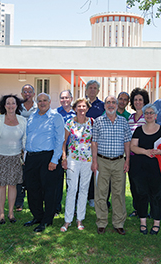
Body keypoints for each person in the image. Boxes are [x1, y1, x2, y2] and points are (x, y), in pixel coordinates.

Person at [23, 93, 64, 233]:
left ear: (50, 101)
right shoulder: (32, 116)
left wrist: (54, 160)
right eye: (39, 101)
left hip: (48, 157)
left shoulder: (56, 117)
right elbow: (28, 137)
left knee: (49, 190)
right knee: (33, 188)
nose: (42, 103)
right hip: (31, 157)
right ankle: (37, 216)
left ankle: (47, 220)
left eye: (44, 100)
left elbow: (60, 140)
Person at [91, 95, 131, 235]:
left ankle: (118, 222)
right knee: (101, 192)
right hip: (102, 161)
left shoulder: (123, 122)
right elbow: (94, 142)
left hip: (119, 161)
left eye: (113, 102)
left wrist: (127, 161)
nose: (111, 105)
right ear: (104, 105)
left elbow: (127, 142)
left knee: (118, 193)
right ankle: (101, 221)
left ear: (117, 104)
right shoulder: (98, 121)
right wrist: (94, 161)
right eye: (108, 102)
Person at [130, 103, 161, 235]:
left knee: (157, 195)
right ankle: (143, 222)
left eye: (151, 113)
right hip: (140, 167)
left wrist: (160, 152)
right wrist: (146, 152)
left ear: (156, 115)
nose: (148, 115)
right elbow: (133, 147)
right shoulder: (139, 130)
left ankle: (156, 222)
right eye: (146, 113)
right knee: (142, 194)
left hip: (157, 168)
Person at [0, 94, 26, 225]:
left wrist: (24, 156)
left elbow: (25, 140)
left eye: (13, 103)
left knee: (13, 185)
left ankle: (11, 212)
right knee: (1, 185)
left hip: (16, 157)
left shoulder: (22, 120)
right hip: (0, 156)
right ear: (4, 106)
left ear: (17, 105)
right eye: (8, 103)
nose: (11, 105)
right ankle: (1, 213)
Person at [60, 98, 93, 232]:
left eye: (84, 106)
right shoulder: (69, 123)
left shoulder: (92, 122)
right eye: (79, 106)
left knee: (84, 189)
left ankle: (80, 219)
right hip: (72, 159)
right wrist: (64, 157)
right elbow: (64, 141)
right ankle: (67, 220)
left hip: (87, 160)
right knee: (72, 189)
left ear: (87, 108)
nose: (81, 108)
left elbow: (94, 142)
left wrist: (95, 160)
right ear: (75, 108)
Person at [128, 87, 150, 218]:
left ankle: (144, 210)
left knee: (145, 185)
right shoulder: (130, 118)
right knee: (134, 185)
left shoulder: (147, 117)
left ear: (144, 101)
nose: (137, 102)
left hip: (145, 156)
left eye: (140, 99)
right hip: (131, 157)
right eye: (135, 100)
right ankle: (137, 209)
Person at [16, 84, 38, 212]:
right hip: (18, 145)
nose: (27, 94)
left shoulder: (38, 107)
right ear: (22, 94)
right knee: (19, 175)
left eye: (30, 91)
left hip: (34, 145)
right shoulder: (17, 107)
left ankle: (33, 201)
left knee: (32, 175)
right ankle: (19, 202)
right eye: (25, 91)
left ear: (33, 94)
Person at [55, 90, 76, 216]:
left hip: (73, 150)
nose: (64, 100)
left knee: (71, 180)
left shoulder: (76, 113)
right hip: (58, 149)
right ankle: (56, 207)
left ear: (71, 98)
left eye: (67, 97)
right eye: (62, 98)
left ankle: (71, 208)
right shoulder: (55, 113)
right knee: (57, 180)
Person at [85, 80, 104, 206]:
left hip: (97, 142)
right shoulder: (81, 103)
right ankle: (81, 196)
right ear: (86, 90)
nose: (92, 90)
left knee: (94, 169)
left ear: (98, 91)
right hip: (81, 143)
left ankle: (92, 196)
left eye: (95, 88)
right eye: (90, 88)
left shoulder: (102, 105)